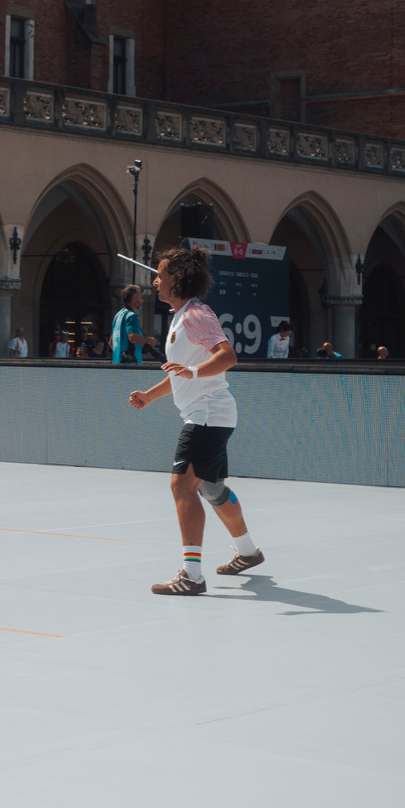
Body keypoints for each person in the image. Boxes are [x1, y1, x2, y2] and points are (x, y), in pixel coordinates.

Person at [129, 245, 261, 595]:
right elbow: (180, 375)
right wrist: (149, 395)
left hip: (207, 414)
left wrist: (193, 370)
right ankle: (248, 552)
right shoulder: (181, 316)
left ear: (177, 279)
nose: (155, 281)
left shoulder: (195, 315)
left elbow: (227, 356)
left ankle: (192, 575)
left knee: (181, 486)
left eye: (160, 274)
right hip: (211, 413)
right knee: (212, 488)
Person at [111, 284, 159, 366]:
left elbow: (110, 342)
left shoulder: (118, 316)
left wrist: (120, 353)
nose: (142, 301)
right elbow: (132, 337)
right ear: (134, 298)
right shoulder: (131, 316)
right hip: (130, 365)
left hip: (117, 363)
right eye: (140, 297)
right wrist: (148, 340)